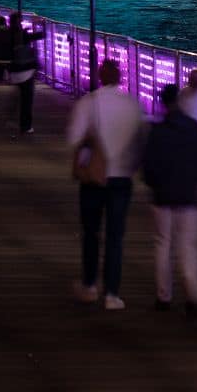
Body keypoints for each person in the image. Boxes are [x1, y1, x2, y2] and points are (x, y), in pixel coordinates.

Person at [65, 58, 144, 309]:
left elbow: (73, 137)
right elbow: (139, 140)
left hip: (94, 178)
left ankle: (89, 285)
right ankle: (112, 294)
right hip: (121, 178)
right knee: (115, 236)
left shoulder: (88, 103)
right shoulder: (132, 105)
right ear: (120, 78)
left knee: (91, 233)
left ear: (99, 76)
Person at [143, 85, 197, 316]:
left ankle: (164, 296)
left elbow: (149, 168)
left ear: (163, 104)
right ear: (182, 102)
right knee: (189, 248)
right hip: (189, 196)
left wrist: (155, 184)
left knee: (163, 244)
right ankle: (192, 296)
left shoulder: (157, 132)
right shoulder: (195, 129)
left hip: (162, 196)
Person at [5, 19, 41, 134]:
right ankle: (26, 126)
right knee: (27, 101)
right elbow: (41, 35)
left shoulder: (9, 36)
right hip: (27, 72)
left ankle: (10, 118)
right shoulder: (23, 35)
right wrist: (39, 25)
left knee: (16, 97)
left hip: (14, 73)